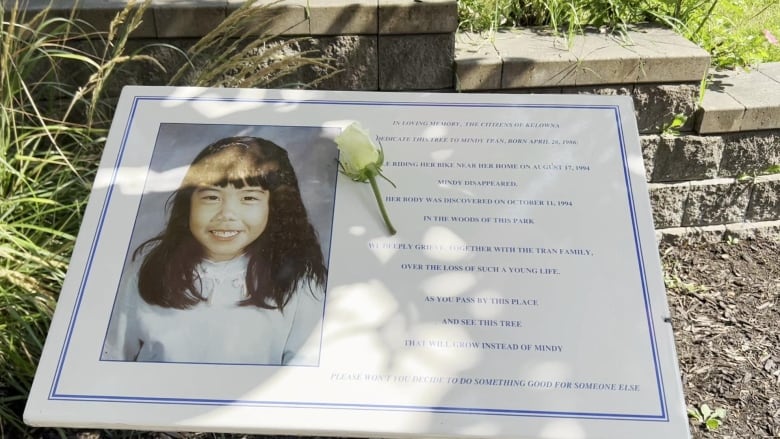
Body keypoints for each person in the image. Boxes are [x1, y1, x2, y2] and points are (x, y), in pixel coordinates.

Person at [102, 136, 327, 365]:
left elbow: (303, 371)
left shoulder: (299, 280)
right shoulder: (148, 270)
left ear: (275, 207)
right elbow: (113, 353)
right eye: (211, 197)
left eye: (248, 198)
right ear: (188, 204)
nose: (226, 214)